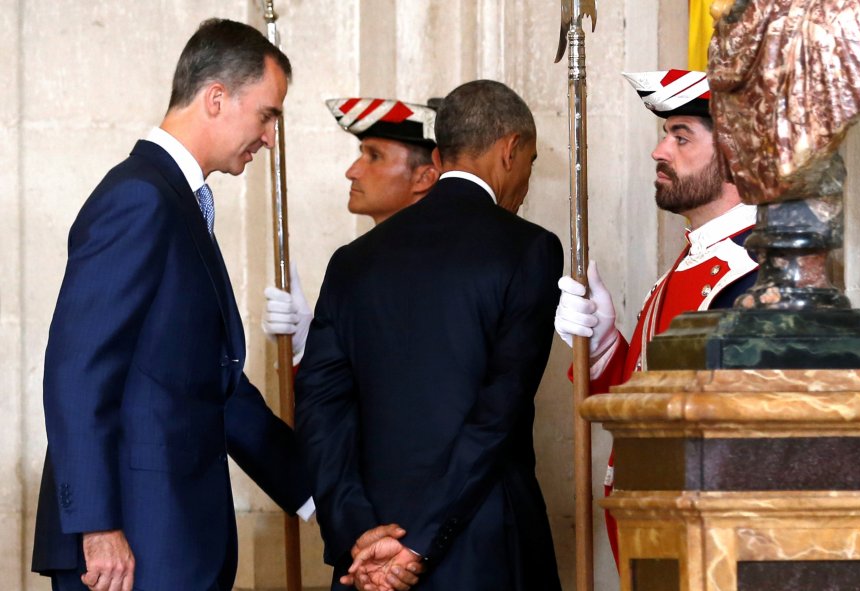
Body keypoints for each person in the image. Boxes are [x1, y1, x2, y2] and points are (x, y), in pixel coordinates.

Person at [31, 19, 314, 591]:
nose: (269, 138)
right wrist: (97, 526)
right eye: (267, 115)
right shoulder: (140, 198)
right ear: (216, 98)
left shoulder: (179, 201)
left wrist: (320, 494)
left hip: (172, 542)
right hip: (128, 549)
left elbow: (217, 391)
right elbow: (76, 370)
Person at [295, 79, 563, 591]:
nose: (526, 177)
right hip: (482, 546)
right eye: (529, 161)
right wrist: (417, 543)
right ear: (511, 150)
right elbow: (497, 415)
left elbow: (319, 408)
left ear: (438, 156)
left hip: (367, 553)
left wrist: (360, 535)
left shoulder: (353, 261)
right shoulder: (529, 249)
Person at [553, 68, 759, 563]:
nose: (660, 151)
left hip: (703, 541)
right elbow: (643, 402)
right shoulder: (695, 260)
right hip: (653, 532)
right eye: (665, 134)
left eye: (681, 136)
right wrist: (603, 347)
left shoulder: (750, 272)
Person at [261, 98, 441, 364]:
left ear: (424, 177)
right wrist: (306, 345)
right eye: (361, 153)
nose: (352, 171)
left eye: (374, 156)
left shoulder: (438, 269)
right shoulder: (358, 265)